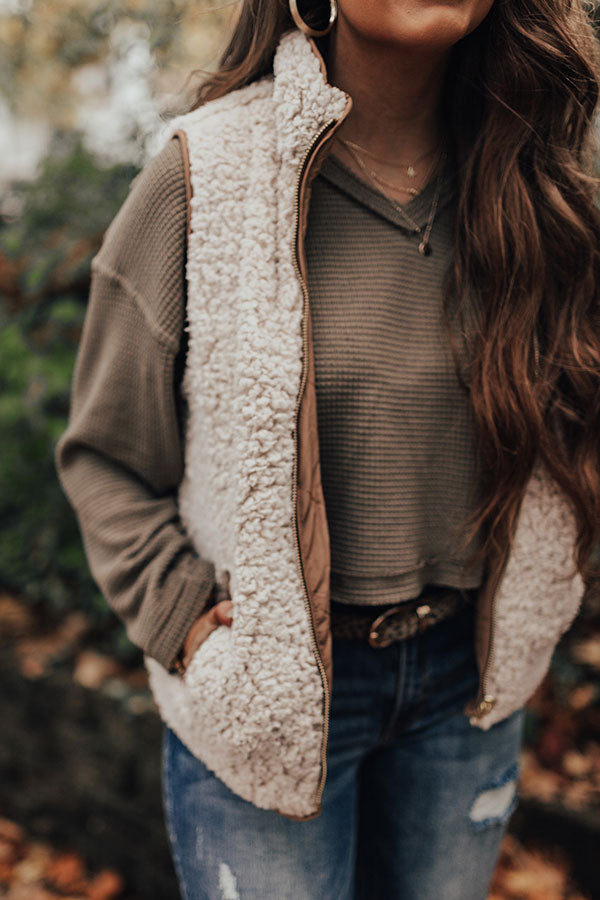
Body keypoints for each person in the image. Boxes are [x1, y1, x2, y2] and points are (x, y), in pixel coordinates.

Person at [55, 1, 600, 897]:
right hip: (269, 698)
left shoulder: (533, 186)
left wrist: (550, 585)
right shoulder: (205, 175)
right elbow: (104, 457)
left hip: (467, 691)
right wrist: (185, 620)